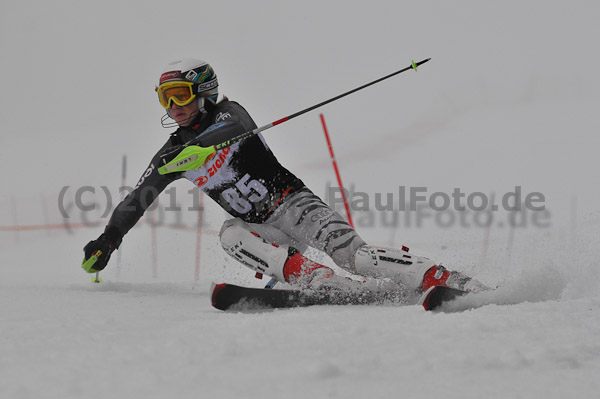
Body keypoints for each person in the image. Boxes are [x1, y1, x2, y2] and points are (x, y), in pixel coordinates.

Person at [82, 58, 487, 296]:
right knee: (229, 235)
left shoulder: (228, 115)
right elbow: (138, 197)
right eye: (165, 99)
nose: (174, 107)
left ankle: (439, 276)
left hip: (295, 206)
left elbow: (233, 126)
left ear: (204, 92)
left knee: (357, 257)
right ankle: (319, 281)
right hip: (263, 231)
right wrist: (109, 240)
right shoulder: (173, 155)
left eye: (182, 97)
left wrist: (204, 146)